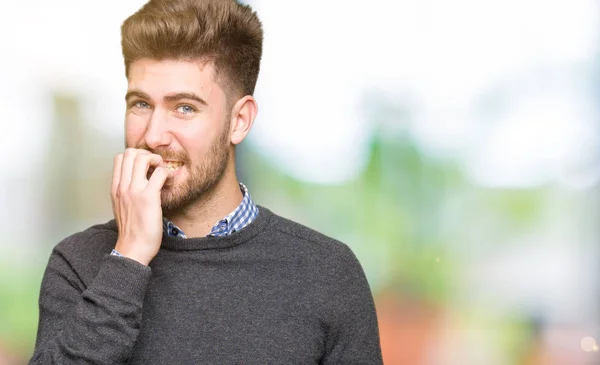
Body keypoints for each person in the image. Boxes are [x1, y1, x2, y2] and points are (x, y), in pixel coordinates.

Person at [29, 0, 383, 363]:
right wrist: (129, 258)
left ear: (239, 121)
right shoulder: (78, 263)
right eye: (140, 104)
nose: (153, 136)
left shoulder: (327, 273)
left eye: (184, 107)